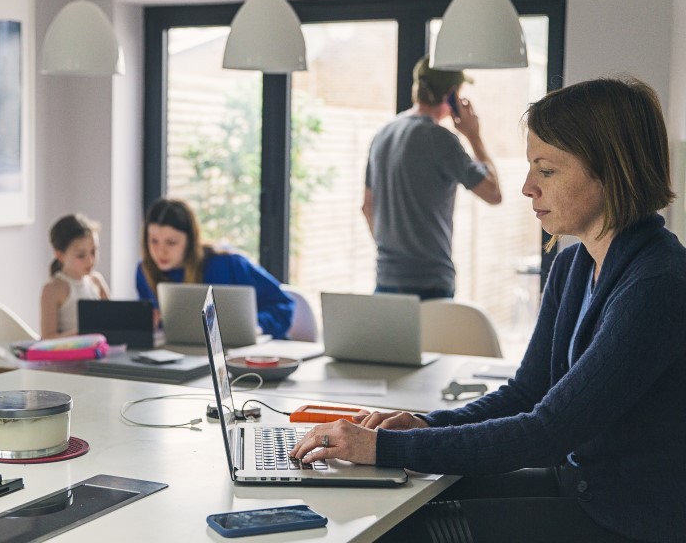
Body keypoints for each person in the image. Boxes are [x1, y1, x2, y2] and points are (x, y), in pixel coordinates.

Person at [291, 77, 686, 543]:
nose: (526, 188)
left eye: (546, 170)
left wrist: (384, 446)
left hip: (624, 519)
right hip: (578, 489)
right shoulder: (573, 265)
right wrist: (425, 423)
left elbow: (546, 431)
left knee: (401, 531)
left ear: (609, 170)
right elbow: (526, 394)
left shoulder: (657, 283)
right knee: (389, 507)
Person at [362, 56, 502, 300]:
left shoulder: (382, 134)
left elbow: (367, 207)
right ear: (451, 96)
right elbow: (493, 193)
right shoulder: (440, 139)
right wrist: (474, 136)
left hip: (384, 281)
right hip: (430, 286)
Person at [135, 198, 294, 340]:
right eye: (153, 241)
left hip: (246, 354)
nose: (161, 251)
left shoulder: (228, 263)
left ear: (190, 241)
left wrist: (257, 326)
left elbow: (284, 305)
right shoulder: (144, 272)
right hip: (185, 354)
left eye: (171, 243)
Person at [41, 214, 110, 339]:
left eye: (94, 251)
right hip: (69, 355)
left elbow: (113, 321)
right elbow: (47, 338)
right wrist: (84, 332)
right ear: (60, 255)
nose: (90, 260)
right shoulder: (53, 289)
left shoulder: (97, 281)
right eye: (81, 255)